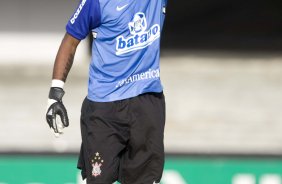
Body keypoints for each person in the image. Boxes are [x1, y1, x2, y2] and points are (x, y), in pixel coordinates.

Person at [46, 0, 168, 183]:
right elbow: (70, 41)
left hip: (147, 101)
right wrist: (55, 93)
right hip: (104, 109)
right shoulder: (96, 2)